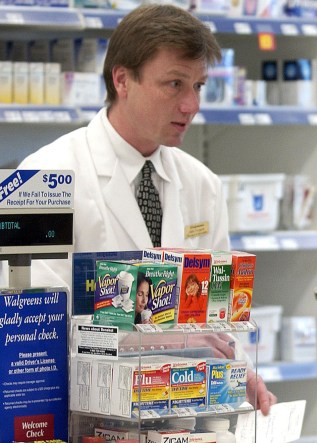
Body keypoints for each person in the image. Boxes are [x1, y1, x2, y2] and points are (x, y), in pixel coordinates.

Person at [14, 3, 275, 414]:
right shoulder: (45, 178)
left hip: (179, 418)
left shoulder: (201, 184)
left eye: (199, 86)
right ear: (122, 79)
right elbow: (32, 331)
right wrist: (150, 348)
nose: (191, 105)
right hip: (80, 418)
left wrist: (239, 375)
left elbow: (216, 315)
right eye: (174, 84)